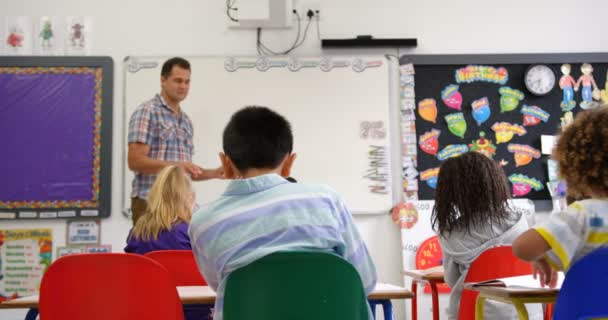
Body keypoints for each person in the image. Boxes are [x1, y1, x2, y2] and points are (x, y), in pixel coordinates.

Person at [189, 106, 377, 320]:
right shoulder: (327, 200)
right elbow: (365, 281)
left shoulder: (205, 223)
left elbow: (227, 287)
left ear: (226, 164)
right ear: (289, 163)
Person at [431, 152, 542, 320]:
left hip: (473, 314)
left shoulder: (451, 234)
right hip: (524, 314)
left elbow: (451, 280)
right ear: (495, 183)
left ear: (450, 193)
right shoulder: (521, 223)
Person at [513, 106, 608, 287]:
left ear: (576, 165)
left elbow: (522, 247)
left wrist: (540, 255)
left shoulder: (583, 215)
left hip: (585, 312)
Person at [127, 57, 222, 224]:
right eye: (178, 81)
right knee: (151, 251)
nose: (183, 86)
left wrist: (215, 173)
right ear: (163, 80)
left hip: (181, 205)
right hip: (151, 203)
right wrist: (177, 166)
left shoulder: (186, 121)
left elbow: (185, 170)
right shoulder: (147, 112)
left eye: (187, 82)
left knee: (178, 251)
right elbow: (135, 161)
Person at [124, 165, 194, 254]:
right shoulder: (189, 233)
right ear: (189, 198)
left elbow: (130, 264)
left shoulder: (136, 233)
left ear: (153, 196)